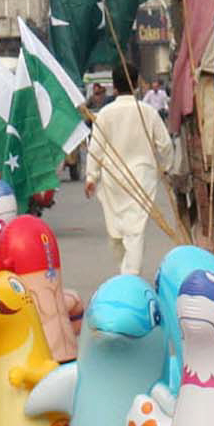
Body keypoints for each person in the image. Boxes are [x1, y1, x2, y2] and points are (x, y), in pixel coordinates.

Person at [86, 64, 173, 276]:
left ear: (114, 87)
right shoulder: (147, 112)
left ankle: (127, 274)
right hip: (142, 177)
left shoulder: (105, 114)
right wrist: (167, 168)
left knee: (117, 229)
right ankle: (129, 275)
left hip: (113, 179)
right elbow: (165, 144)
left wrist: (91, 177)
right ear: (135, 85)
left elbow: (95, 149)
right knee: (135, 231)